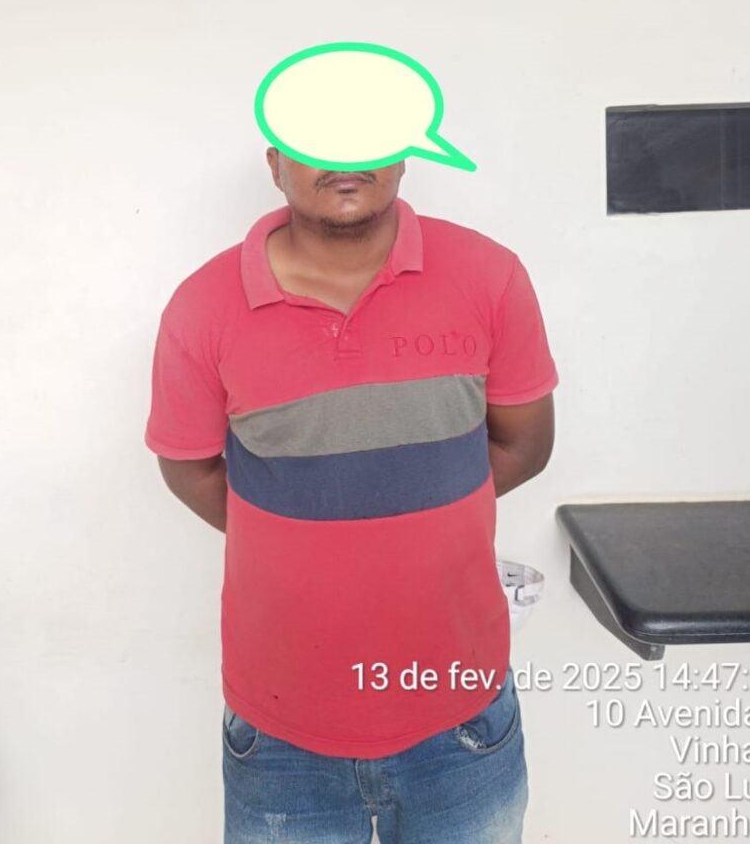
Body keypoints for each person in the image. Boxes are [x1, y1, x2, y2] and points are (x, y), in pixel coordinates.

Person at [145, 150, 558, 843]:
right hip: (280, 731)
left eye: (364, 137)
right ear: (275, 163)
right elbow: (191, 471)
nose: (343, 159)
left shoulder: (489, 275)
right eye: (317, 141)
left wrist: (417, 515)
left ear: (402, 155)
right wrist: (304, 531)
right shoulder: (203, 305)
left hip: (459, 713)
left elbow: (524, 445)